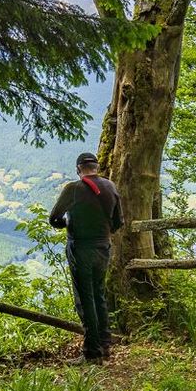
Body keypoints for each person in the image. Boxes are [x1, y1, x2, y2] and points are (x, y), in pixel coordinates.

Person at [48, 152, 123, 363]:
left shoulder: (73, 189)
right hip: (103, 247)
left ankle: (92, 352)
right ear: (96, 167)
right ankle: (105, 344)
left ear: (78, 169)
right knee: (99, 294)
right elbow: (118, 222)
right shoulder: (111, 187)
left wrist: (68, 224)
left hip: (80, 248)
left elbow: (54, 218)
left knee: (85, 299)